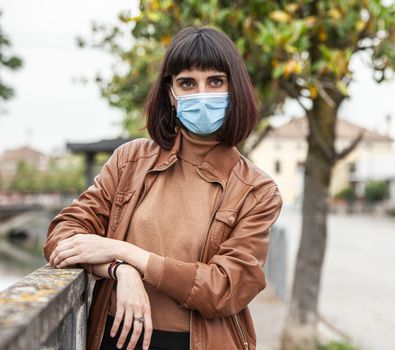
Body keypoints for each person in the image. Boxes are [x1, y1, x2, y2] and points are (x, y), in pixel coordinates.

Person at [43, 26, 283, 350]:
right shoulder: (130, 161)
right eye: (187, 83)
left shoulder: (257, 190)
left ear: (233, 89)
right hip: (115, 338)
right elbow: (63, 236)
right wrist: (119, 269)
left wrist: (130, 254)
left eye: (215, 82)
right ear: (171, 93)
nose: (201, 94)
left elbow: (225, 288)